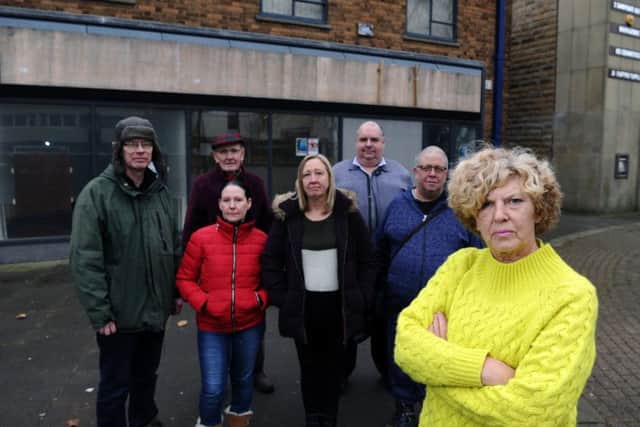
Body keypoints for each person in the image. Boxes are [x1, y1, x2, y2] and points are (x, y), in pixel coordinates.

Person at [394, 147, 598, 426]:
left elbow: (534, 411)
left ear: (538, 211)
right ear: (474, 216)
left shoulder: (571, 295)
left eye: (514, 201)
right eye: (486, 204)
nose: (499, 215)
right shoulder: (461, 265)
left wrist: (437, 370)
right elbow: (406, 343)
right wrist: (484, 370)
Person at [70, 116, 182, 427]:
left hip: (155, 309)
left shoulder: (161, 193)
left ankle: (145, 418)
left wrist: (173, 292)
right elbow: (85, 257)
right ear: (119, 150)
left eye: (146, 144)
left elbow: (173, 247)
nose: (140, 150)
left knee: (147, 376)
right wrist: (100, 312)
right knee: (115, 386)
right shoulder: (97, 194)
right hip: (118, 316)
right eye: (132, 144)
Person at [261, 154, 376, 427]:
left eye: (319, 173)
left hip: (340, 307)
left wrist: (362, 295)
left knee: (333, 371)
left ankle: (330, 418)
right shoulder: (287, 217)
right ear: (300, 181)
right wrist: (281, 297)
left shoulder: (347, 214)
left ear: (329, 178)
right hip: (303, 307)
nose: (313, 179)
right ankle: (313, 418)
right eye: (307, 174)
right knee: (309, 369)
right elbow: (270, 261)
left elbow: (368, 259)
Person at [375, 146, 483, 427]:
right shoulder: (396, 207)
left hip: (446, 309)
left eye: (439, 169)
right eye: (427, 168)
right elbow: (379, 252)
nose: (432, 174)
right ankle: (405, 407)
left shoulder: (460, 212)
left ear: (447, 174)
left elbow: (478, 260)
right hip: (400, 302)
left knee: (438, 359)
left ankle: (436, 408)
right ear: (416, 172)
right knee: (400, 357)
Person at [182, 133, 275, 394]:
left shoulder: (255, 184)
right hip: (215, 266)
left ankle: (256, 371)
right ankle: (218, 376)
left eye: (234, 151)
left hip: (250, 267)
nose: (229, 156)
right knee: (214, 325)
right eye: (223, 152)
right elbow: (191, 226)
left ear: (243, 154)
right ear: (215, 157)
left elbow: (267, 222)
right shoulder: (202, 185)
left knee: (256, 323)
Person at [177, 180, 268, 427]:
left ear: (249, 204)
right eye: (226, 200)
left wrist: (259, 299)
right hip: (211, 326)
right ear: (219, 204)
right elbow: (184, 278)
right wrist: (204, 303)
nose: (232, 205)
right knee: (213, 387)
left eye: (238, 200)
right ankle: (208, 422)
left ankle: (238, 419)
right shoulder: (201, 238)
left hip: (249, 323)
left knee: (243, 380)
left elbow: (272, 279)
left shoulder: (262, 240)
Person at [333, 120, 412, 382]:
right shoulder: (337, 173)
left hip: (388, 262)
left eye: (374, 140)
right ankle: (341, 374)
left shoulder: (401, 175)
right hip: (349, 262)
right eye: (363, 139)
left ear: (383, 143)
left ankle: (387, 372)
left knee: (383, 321)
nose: (369, 145)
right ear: (355, 142)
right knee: (347, 318)